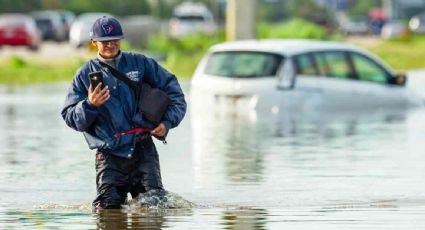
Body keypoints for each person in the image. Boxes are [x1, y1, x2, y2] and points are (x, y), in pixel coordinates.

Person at [61, 16, 186, 210]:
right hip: (108, 156)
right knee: (107, 213)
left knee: (154, 210)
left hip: (144, 151)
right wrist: (90, 105)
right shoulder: (84, 74)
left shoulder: (141, 63)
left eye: (115, 39)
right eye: (105, 41)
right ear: (94, 42)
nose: (110, 44)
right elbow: (70, 117)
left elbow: (175, 93)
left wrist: (168, 122)